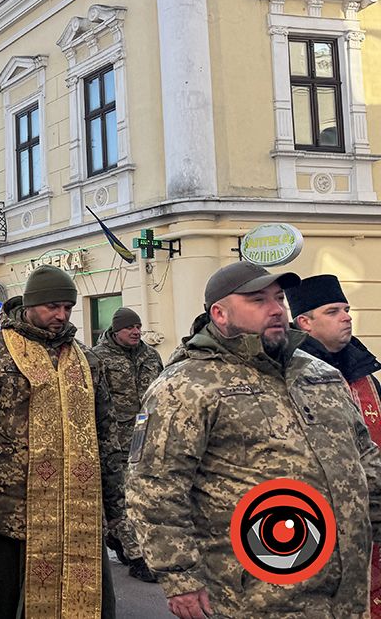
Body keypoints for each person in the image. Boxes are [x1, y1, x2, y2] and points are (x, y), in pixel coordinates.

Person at [127, 262, 381, 618]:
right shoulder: (185, 386)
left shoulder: (319, 374)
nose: (276, 309)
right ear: (220, 313)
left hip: (346, 591)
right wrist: (179, 576)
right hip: (255, 593)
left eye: (279, 298)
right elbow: (155, 487)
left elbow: (364, 458)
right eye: (258, 300)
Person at [0, 265, 117, 618]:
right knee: (3, 600)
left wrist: (116, 502)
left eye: (67, 308)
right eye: (52, 307)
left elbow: (107, 435)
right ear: (29, 305)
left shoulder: (87, 360)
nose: (61, 316)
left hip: (78, 508)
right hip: (11, 507)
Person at [287, 274, 381, 617]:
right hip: (319, 527)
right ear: (305, 322)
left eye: (346, 309)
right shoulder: (287, 373)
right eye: (332, 311)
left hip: (373, 519)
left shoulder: (365, 372)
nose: (346, 317)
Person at [90, 306, 163, 583]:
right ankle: (137, 557)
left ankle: (116, 536)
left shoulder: (150, 356)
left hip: (147, 439)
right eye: (130, 328)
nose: (136, 332)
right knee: (121, 498)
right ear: (116, 330)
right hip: (114, 441)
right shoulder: (98, 358)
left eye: (138, 327)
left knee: (144, 497)